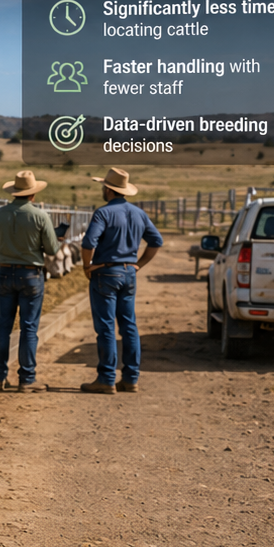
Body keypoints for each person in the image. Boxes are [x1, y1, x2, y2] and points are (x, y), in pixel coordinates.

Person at [80, 167, 162, 394]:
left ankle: (106, 379)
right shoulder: (139, 213)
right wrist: (139, 264)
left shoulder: (103, 213)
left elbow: (88, 244)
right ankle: (130, 378)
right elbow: (156, 241)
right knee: (129, 326)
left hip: (105, 273)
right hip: (129, 274)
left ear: (108, 189)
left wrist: (87, 266)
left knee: (106, 326)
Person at [0, 171, 59, 392]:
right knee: (28, 328)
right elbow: (52, 249)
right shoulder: (40, 216)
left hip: (5, 273)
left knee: (2, 326)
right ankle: (26, 379)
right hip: (31, 276)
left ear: (14, 192)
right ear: (33, 194)